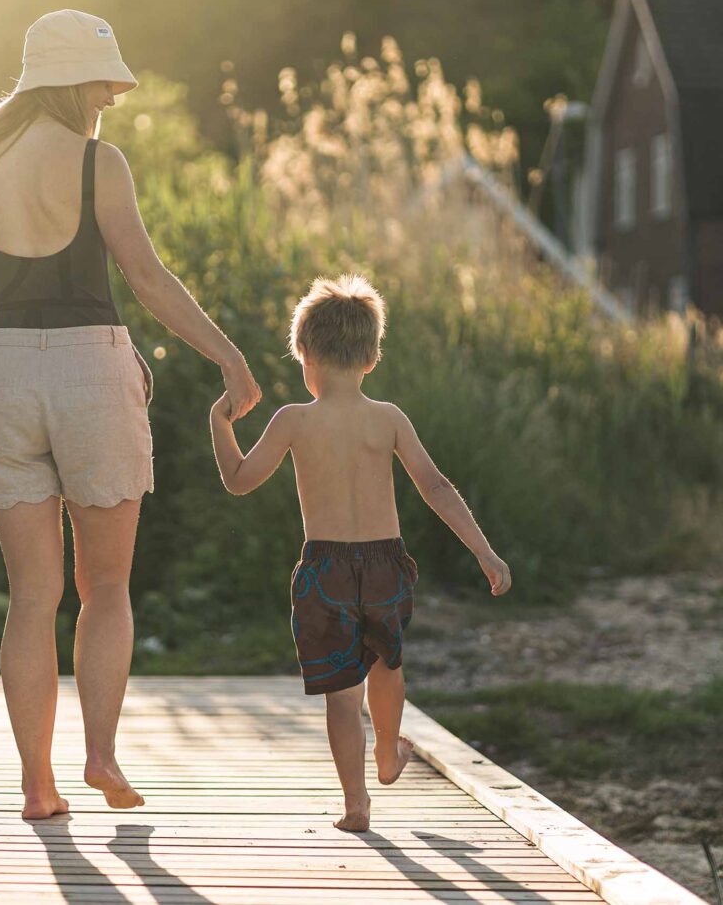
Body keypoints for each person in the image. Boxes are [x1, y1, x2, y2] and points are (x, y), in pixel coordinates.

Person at [0, 9, 262, 819]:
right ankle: (102, 753)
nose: (110, 102)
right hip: (92, 369)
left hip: (2, 374)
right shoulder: (97, 163)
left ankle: (37, 784)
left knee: (30, 596)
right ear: (74, 81)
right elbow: (147, 279)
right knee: (105, 585)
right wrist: (228, 354)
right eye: (105, 86)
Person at [207, 274, 511, 832]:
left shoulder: (293, 420)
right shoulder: (388, 418)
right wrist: (485, 553)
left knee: (341, 698)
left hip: (324, 569)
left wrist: (219, 422)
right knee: (388, 664)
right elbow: (436, 486)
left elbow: (239, 479)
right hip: (384, 565)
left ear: (305, 356)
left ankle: (356, 803)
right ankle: (389, 752)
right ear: (371, 357)